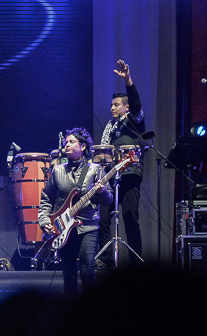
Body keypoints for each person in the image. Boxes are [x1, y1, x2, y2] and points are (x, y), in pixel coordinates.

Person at [38, 128, 109, 296]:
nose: (67, 145)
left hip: (88, 227)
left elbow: (108, 200)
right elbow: (47, 199)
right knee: (69, 274)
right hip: (63, 228)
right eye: (66, 142)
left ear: (83, 146)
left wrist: (102, 192)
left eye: (71, 142)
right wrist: (45, 221)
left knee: (86, 271)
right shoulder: (58, 171)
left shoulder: (95, 169)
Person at [96, 59, 146, 266]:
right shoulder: (110, 127)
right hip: (110, 177)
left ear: (126, 108)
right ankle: (106, 261)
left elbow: (136, 103)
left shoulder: (134, 121)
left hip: (129, 174)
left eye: (116, 105)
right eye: (111, 105)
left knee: (129, 217)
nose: (112, 108)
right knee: (103, 219)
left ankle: (135, 264)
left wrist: (128, 80)